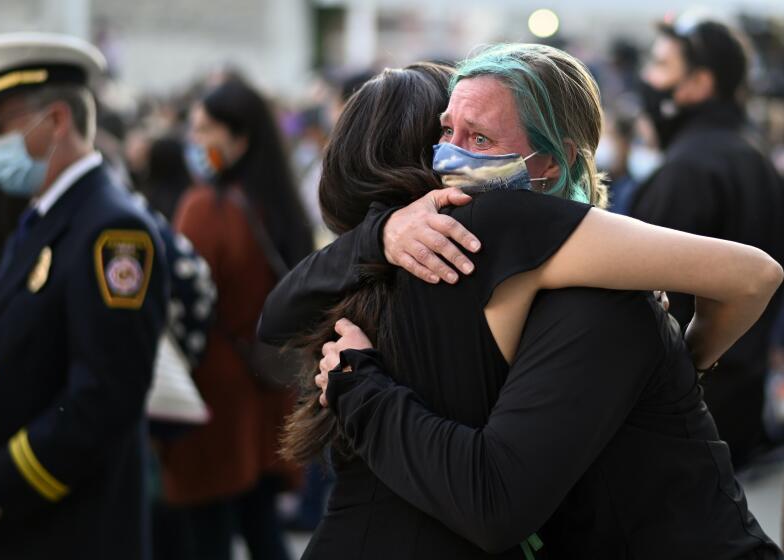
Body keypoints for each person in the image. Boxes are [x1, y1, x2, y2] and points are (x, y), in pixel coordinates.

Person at [260, 45, 783, 558]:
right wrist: (381, 233)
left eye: (480, 138)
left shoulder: (502, 220)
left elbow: (755, 274)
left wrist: (680, 365)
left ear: (552, 164)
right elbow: (277, 314)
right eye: (445, 132)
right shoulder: (439, 246)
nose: (451, 154)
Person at [0, 32, 168, 559]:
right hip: (26, 526)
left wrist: (1, 483)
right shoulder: (43, 220)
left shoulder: (114, 231)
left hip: (68, 528)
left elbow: (105, 395)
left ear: (57, 121)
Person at [157, 75, 312, 560]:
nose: (194, 141)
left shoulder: (207, 206)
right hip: (270, 389)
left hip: (213, 400)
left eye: (206, 131)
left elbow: (179, 298)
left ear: (240, 138)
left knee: (208, 537)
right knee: (262, 527)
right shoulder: (283, 205)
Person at [630, 15, 784, 468]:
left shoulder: (688, 170)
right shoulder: (749, 153)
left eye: (660, 65)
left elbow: (643, 299)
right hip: (735, 402)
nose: (648, 80)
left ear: (698, 82)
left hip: (683, 413)